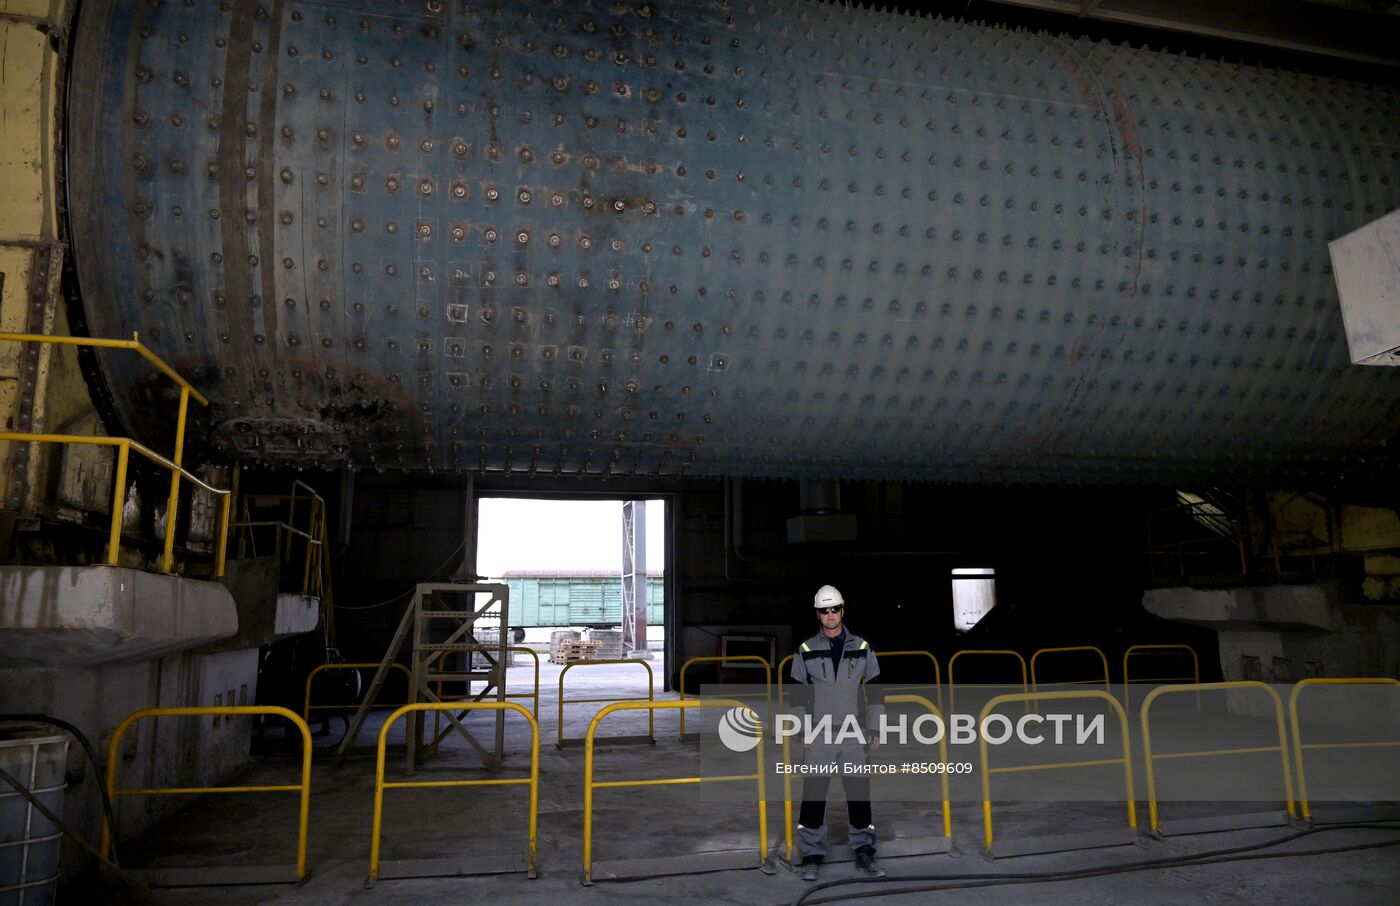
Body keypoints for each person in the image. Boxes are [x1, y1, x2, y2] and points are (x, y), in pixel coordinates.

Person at [788, 584, 887, 881]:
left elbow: (876, 692)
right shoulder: (805, 650)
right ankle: (812, 856)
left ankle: (864, 852)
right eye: (824, 611)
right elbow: (796, 696)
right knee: (814, 797)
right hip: (818, 736)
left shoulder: (863, 647)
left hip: (854, 735)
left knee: (859, 796)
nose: (830, 615)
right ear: (817, 614)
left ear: (842, 610)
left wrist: (875, 728)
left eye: (834, 609)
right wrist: (802, 729)